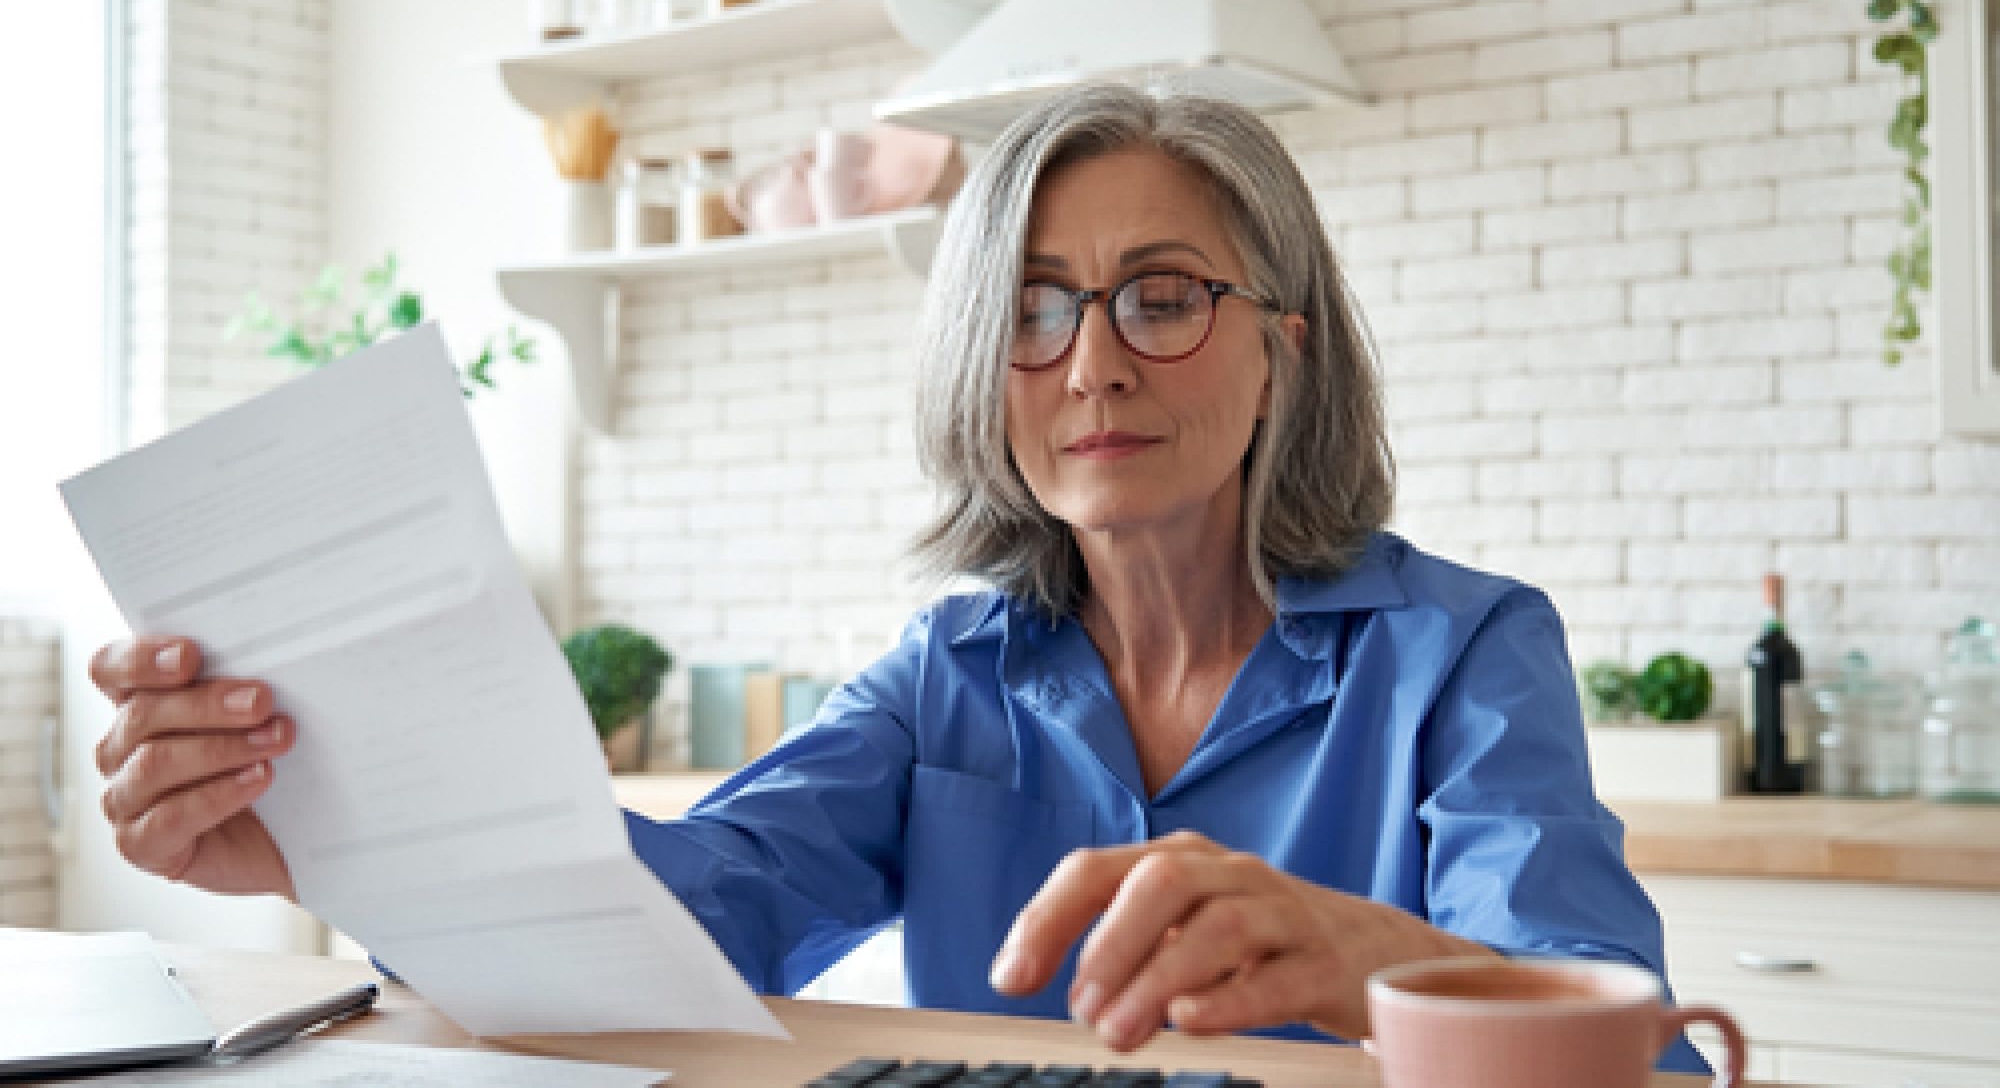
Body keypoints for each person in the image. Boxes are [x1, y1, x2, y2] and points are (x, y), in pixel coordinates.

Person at [88, 84, 1706, 1072]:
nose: (1090, 364)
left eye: (1159, 297)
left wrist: (1362, 958)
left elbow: (1641, 1060)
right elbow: (684, 920)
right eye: (1033, 307)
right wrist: (333, 831)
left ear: (1280, 352)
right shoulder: (949, 674)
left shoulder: (1463, 654)